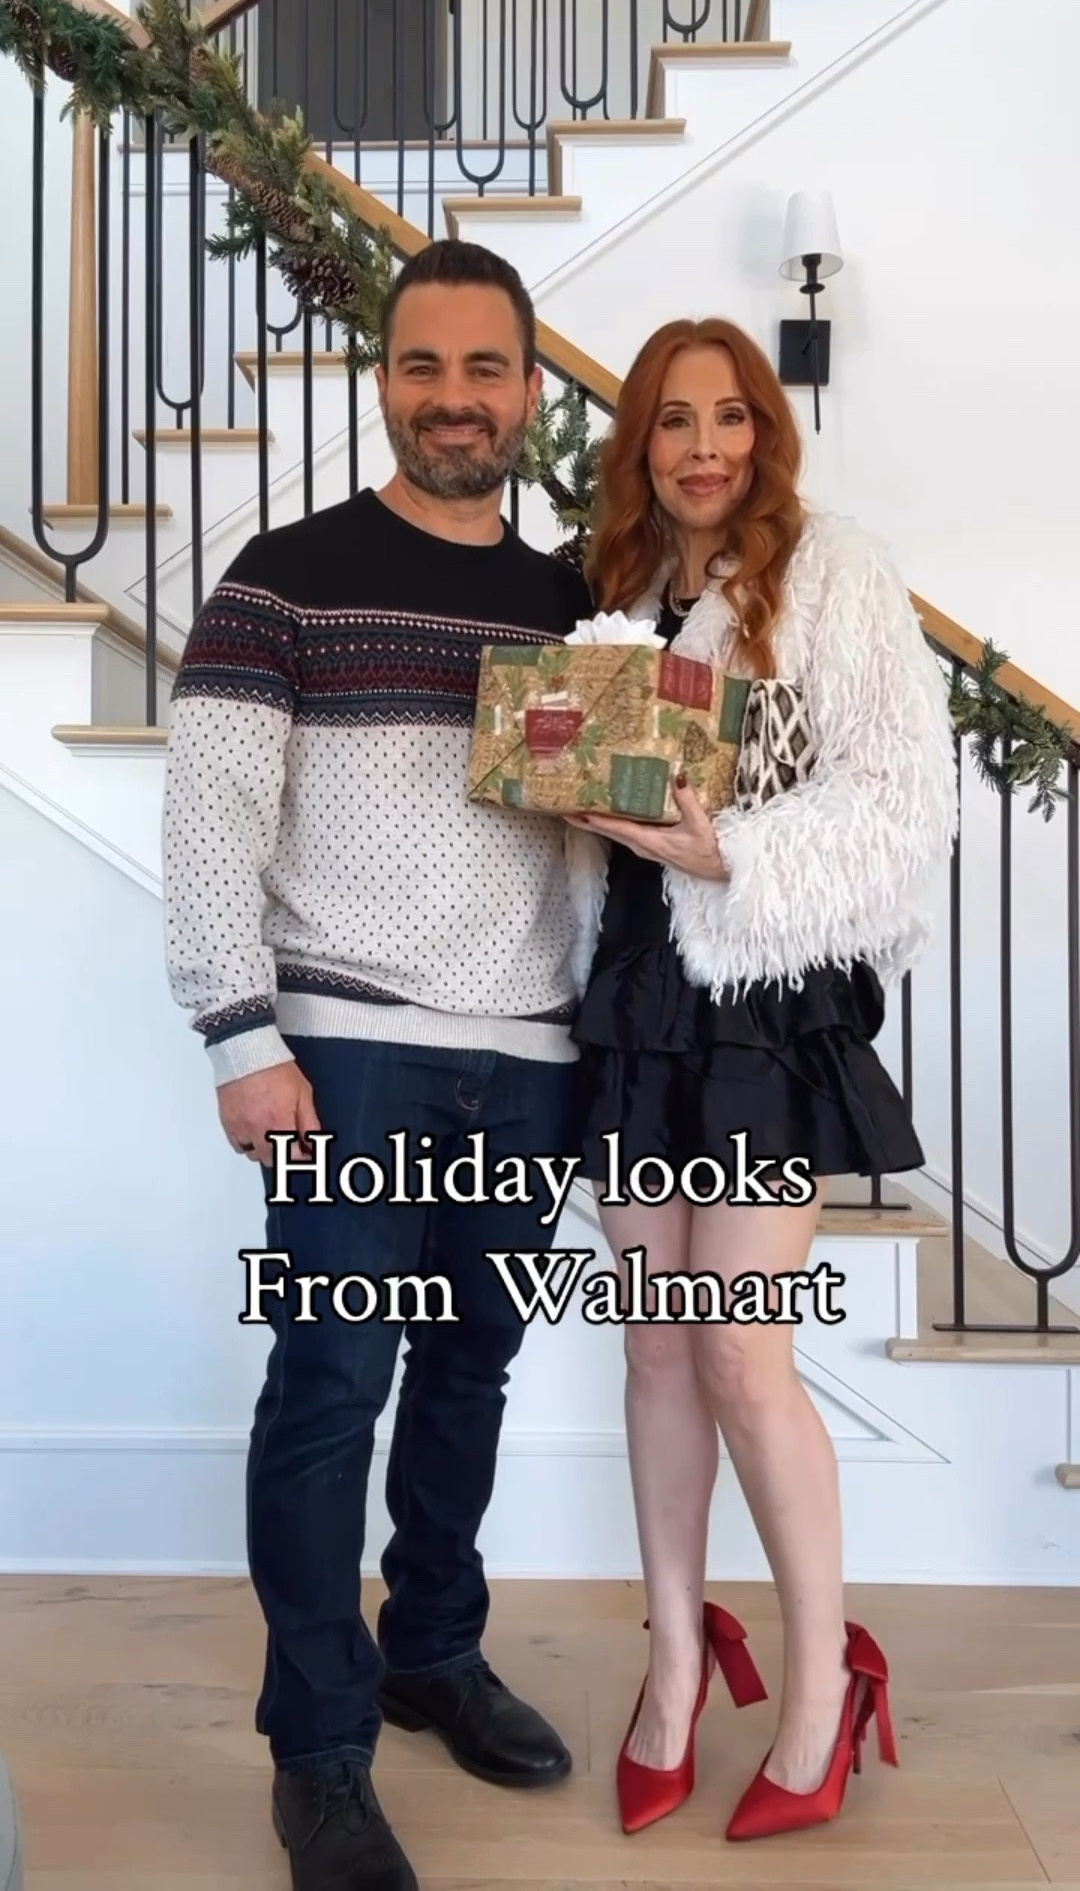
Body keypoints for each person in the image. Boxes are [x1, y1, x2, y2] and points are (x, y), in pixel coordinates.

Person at [161, 240, 593, 1891]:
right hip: (343, 1057)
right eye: (424, 366)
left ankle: (433, 1651)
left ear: (530, 393)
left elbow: (598, 843)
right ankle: (321, 1750)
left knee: (472, 1373)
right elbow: (210, 822)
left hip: (530, 1062)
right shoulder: (285, 580)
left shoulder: (574, 611)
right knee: (332, 1384)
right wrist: (239, 1035)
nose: (454, 398)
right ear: (385, 381)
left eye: (485, 369)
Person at [562, 317, 956, 1843]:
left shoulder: (837, 570)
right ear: (641, 445)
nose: (705, 447)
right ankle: (674, 1662)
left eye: (729, 417)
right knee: (657, 1353)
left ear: (765, 435)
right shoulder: (608, 586)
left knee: (741, 1353)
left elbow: (901, 800)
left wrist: (727, 848)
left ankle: (819, 1687)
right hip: (633, 989)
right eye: (674, 421)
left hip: (756, 996)